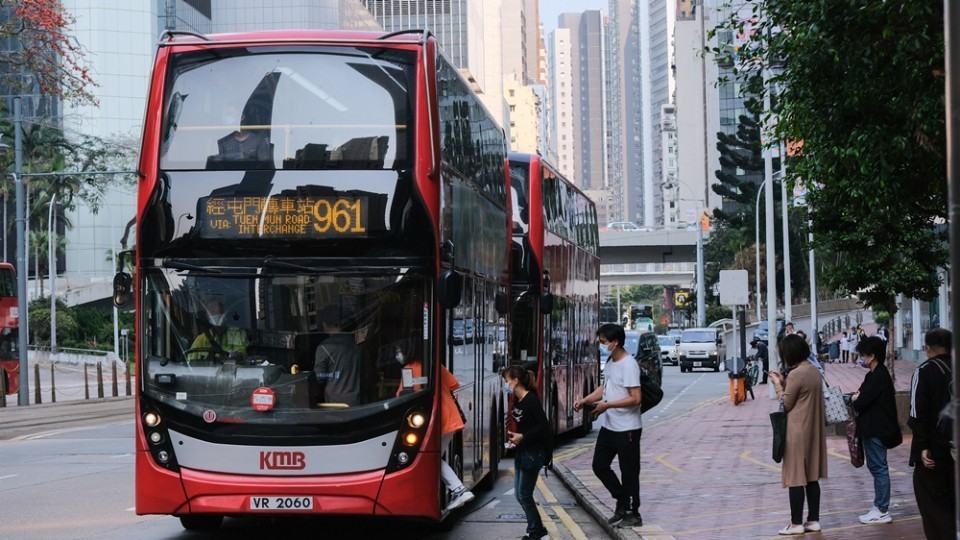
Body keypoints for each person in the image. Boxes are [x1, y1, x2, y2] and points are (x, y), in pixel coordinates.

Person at [574, 324, 643, 528]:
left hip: (627, 428)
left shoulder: (629, 365)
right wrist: (585, 400)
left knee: (628, 471)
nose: (601, 344)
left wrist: (607, 405)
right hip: (610, 426)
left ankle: (633, 513)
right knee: (599, 465)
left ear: (615, 342)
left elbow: (636, 398)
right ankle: (622, 501)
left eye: (604, 341)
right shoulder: (612, 361)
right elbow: (606, 387)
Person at [396, 353, 474, 511]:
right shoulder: (434, 364)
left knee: (432, 458)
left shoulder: (408, 369)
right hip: (450, 418)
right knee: (433, 457)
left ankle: (459, 489)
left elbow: (401, 396)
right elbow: (454, 384)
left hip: (436, 420)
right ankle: (457, 490)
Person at [768, 334, 827, 535]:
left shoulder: (796, 374)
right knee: (811, 477)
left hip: (796, 431)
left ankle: (795, 523)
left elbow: (786, 404)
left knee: (795, 477)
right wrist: (785, 382)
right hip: (814, 430)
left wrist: (778, 383)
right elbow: (799, 396)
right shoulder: (814, 371)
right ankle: (813, 520)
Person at [908, 328, 956, 539]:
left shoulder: (924, 371)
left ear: (927, 348)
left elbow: (917, 413)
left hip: (936, 451)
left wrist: (922, 447)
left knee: (935, 507)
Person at [851, 336, 902, 525]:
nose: (861, 358)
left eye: (863, 355)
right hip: (873, 427)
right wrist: (858, 397)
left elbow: (862, 400)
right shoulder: (874, 375)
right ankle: (879, 506)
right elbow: (861, 395)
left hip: (876, 429)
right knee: (876, 467)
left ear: (872, 356)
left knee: (879, 468)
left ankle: (882, 509)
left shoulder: (878, 375)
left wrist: (857, 398)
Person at [503, 365, 550, 540]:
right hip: (521, 452)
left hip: (533, 453)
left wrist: (523, 436)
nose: (506, 384)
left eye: (507, 381)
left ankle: (536, 531)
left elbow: (544, 425)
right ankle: (537, 529)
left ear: (515, 381)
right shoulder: (517, 400)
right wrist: (514, 438)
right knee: (519, 494)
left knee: (524, 494)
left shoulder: (531, 400)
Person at [314, 306, 361, 406]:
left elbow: (318, 377)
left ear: (324, 324)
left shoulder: (325, 347)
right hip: (355, 402)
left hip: (335, 405)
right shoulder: (354, 342)